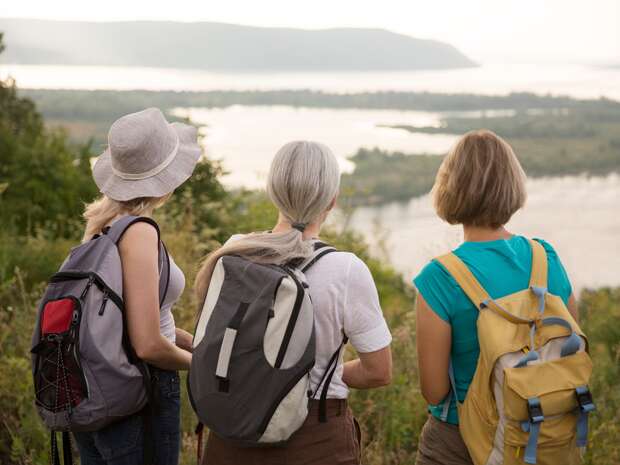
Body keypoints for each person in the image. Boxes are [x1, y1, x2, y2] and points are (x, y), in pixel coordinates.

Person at [194, 140, 393, 465]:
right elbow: (378, 372)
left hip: (230, 437)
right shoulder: (345, 270)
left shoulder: (233, 252)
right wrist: (319, 375)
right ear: (332, 200)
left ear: (273, 192)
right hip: (314, 441)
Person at [413, 130, 577, 465]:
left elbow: (434, 390)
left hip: (461, 440)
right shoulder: (545, 257)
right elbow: (569, 345)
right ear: (512, 185)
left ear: (449, 187)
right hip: (541, 430)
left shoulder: (440, 277)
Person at [73, 107, 201, 465]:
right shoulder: (139, 231)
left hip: (95, 388)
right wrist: (198, 365)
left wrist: (191, 341)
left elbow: (123, 321)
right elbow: (146, 344)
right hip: (139, 390)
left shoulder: (100, 229)